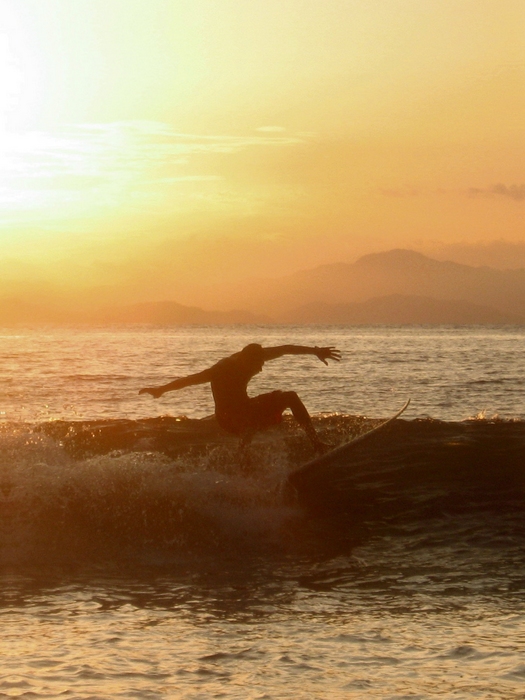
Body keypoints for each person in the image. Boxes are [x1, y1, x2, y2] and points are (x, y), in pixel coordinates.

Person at [139, 343, 341, 453]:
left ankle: (316, 444)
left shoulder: (254, 356)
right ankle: (243, 457)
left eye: (262, 362)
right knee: (249, 417)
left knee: (290, 397)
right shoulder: (222, 369)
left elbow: (286, 349)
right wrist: (161, 390)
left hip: (245, 406)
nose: (261, 368)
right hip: (227, 417)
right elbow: (190, 380)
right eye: (257, 364)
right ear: (245, 360)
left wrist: (315, 351)